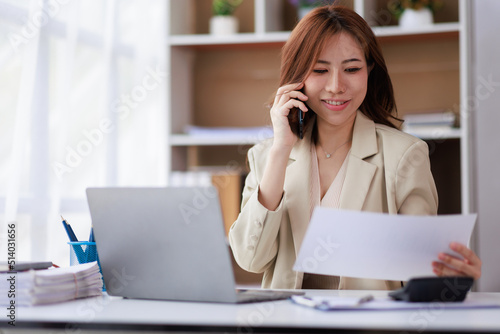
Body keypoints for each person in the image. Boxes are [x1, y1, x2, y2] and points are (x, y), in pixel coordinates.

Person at [228, 4, 482, 290]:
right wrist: (281, 149)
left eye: (351, 68)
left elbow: (421, 272)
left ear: (369, 70)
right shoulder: (267, 156)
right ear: (297, 78)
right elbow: (250, 259)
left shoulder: (404, 156)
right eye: (320, 70)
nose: (336, 86)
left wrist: (451, 277)